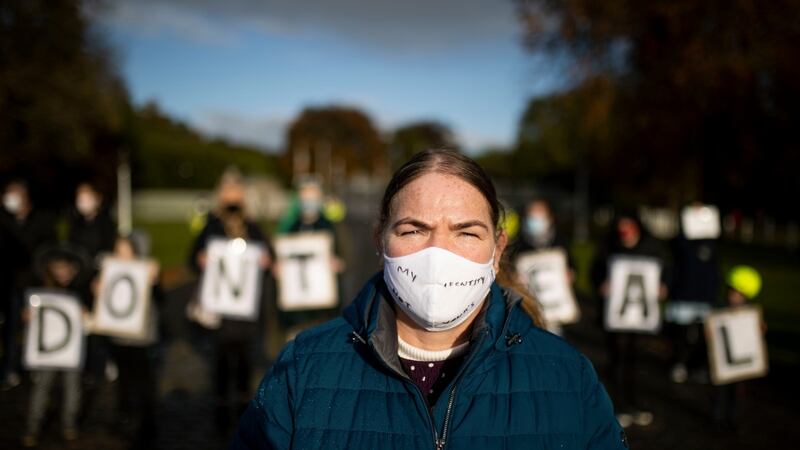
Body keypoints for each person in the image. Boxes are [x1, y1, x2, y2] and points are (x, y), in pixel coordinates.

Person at [232, 149, 626, 449]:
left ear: (498, 247)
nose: (439, 254)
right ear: (379, 239)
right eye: (412, 231)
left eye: (466, 233)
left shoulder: (567, 376)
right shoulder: (303, 369)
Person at [187, 170, 273, 432]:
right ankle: (222, 415)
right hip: (221, 312)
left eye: (237, 191)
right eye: (228, 191)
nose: (232, 196)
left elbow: (270, 258)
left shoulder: (254, 227)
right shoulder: (210, 226)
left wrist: (266, 261)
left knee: (246, 364)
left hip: (247, 313)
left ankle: (243, 414)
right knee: (221, 364)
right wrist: (200, 259)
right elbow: (191, 260)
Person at [590, 211, 670, 428]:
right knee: (617, 359)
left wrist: (664, 286)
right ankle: (618, 405)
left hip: (640, 318)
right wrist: (601, 285)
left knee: (636, 361)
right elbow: (595, 271)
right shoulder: (609, 246)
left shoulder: (652, 247)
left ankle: (635, 403)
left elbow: (665, 272)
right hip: (615, 317)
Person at [21, 244, 92, 447]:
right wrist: (27, 316)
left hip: (71, 351)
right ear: (49, 269)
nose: (63, 273)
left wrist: (86, 315)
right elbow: (29, 317)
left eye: (66, 268)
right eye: (58, 268)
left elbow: (90, 322)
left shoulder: (80, 292)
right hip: (48, 353)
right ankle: (32, 426)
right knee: (41, 387)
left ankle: (69, 424)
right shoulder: (40, 292)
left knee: (73, 388)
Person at [104, 235, 163, 449]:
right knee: (124, 382)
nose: (122, 254)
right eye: (118, 250)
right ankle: (126, 419)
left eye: (125, 250)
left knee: (144, 383)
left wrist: (155, 282)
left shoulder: (146, 270)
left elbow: (161, 300)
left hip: (142, 339)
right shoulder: (110, 272)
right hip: (119, 337)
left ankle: (147, 424)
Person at [0, 179, 57, 388]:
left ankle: (36, 366)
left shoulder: (41, 219)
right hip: (11, 283)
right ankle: (11, 367)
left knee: (37, 327)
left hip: (36, 283)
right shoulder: (4, 220)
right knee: (11, 327)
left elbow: (48, 250)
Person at [509, 198, 576, 334]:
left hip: (553, 309)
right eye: (531, 216)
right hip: (528, 309)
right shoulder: (518, 244)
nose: (535, 220)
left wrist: (570, 273)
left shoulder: (560, 241)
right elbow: (508, 270)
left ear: (549, 217)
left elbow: (571, 264)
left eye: (539, 215)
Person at [712, 265, 764, 431]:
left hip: (739, 364)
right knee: (720, 392)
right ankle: (718, 419)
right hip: (722, 363)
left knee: (737, 392)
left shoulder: (750, 313)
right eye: (732, 291)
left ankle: (733, 419)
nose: (734, 296)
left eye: (739, 293)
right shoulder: (720, 309)